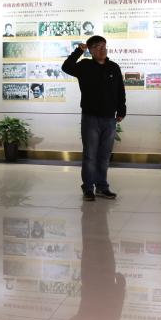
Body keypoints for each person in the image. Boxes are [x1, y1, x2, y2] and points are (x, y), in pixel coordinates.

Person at [62, 36, 125, 201]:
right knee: (90, 155)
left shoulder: (113, 67)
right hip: (90, 118)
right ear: (90, 50)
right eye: (97, 46)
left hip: (109, 119)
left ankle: (102, 187)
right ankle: (88, 188)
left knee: (104, 155)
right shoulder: (84, 66)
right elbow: (66, 67)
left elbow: (120, 90)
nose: (102, 49)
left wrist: (121, 110)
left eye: (104, 46)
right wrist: (78, 51)